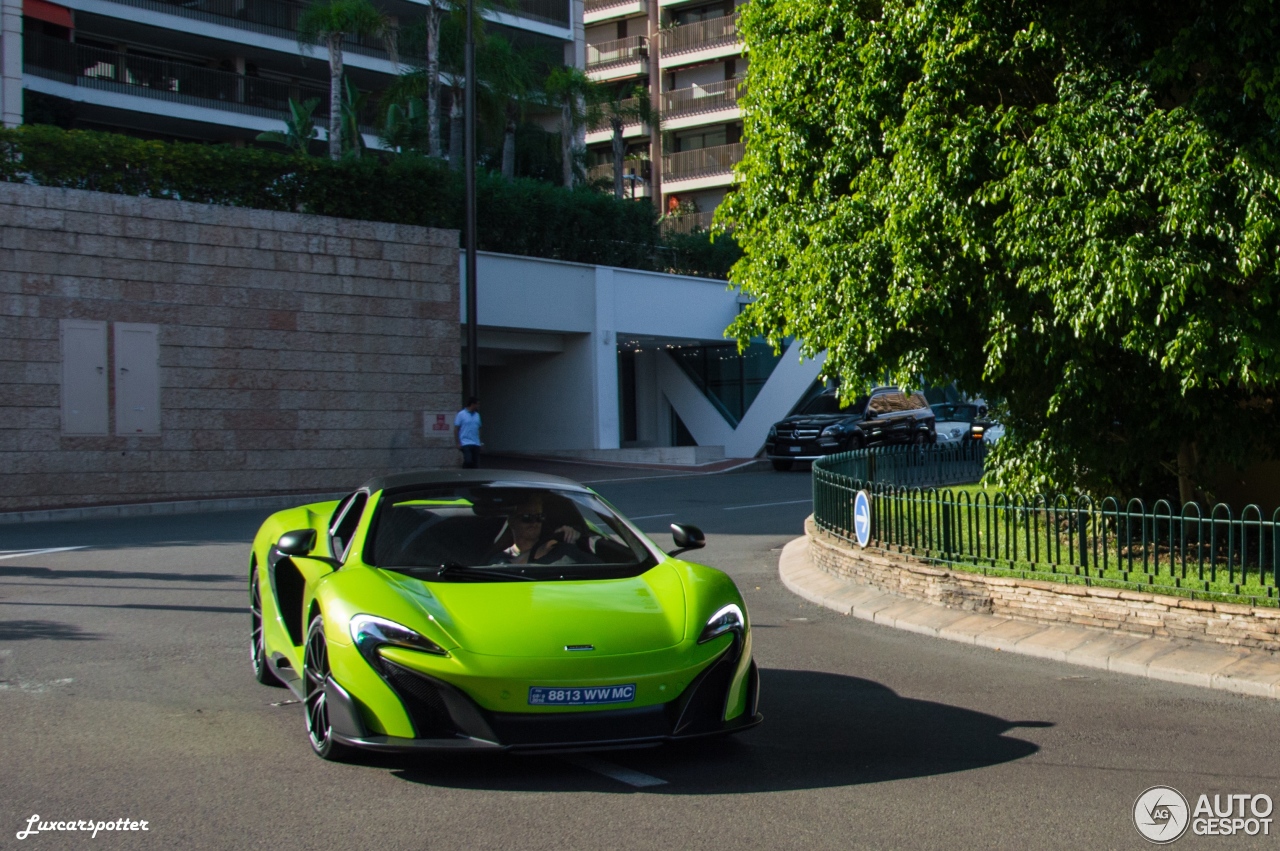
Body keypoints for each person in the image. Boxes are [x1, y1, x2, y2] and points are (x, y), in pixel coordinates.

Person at [454, 397, 481, 469]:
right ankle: (464, 472)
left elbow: (478, 428)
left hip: (475, 442)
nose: (478, 406)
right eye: (477, 404)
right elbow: (456, 429)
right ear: (472, 404)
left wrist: (480, 441)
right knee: (468, 460)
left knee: (475, 462)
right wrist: (458, 442)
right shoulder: (461, 414)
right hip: (465, 442)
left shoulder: (477, 415)